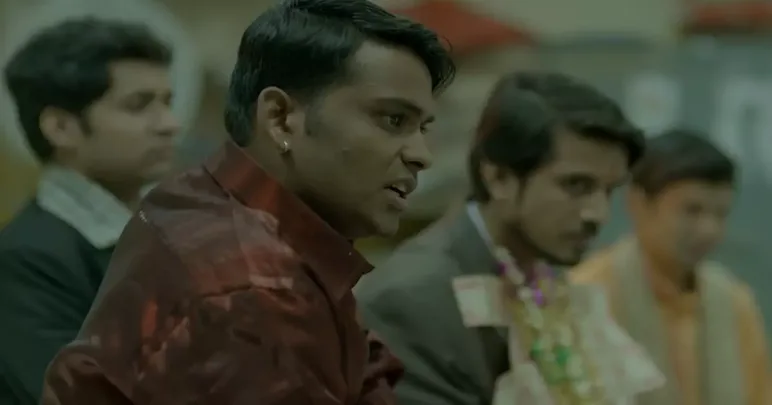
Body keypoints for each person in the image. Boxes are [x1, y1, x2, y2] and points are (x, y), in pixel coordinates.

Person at [39, 0, 456, 403]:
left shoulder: (202, 197)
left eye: (423, 128)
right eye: (393, 120)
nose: (422, 155)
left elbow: (364, 369)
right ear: (280, 118)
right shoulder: (253, 286)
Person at [357, 71, 660, 405]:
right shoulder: (413, 298)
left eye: (609, 190)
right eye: (576, 185)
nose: (598, 214)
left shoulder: (544, 270)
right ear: (499, 178)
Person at [0, 18, 179, 405]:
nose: (169, 124)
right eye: (138, 105)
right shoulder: (26, 260)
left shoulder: (167, 230)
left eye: (168, 102)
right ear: (61, 127)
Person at [571, 130, 771, 405]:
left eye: (720, 214)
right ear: (639, 203)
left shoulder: (735, 304)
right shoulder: (586, 296)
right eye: (692, 211)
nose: (708, 230)